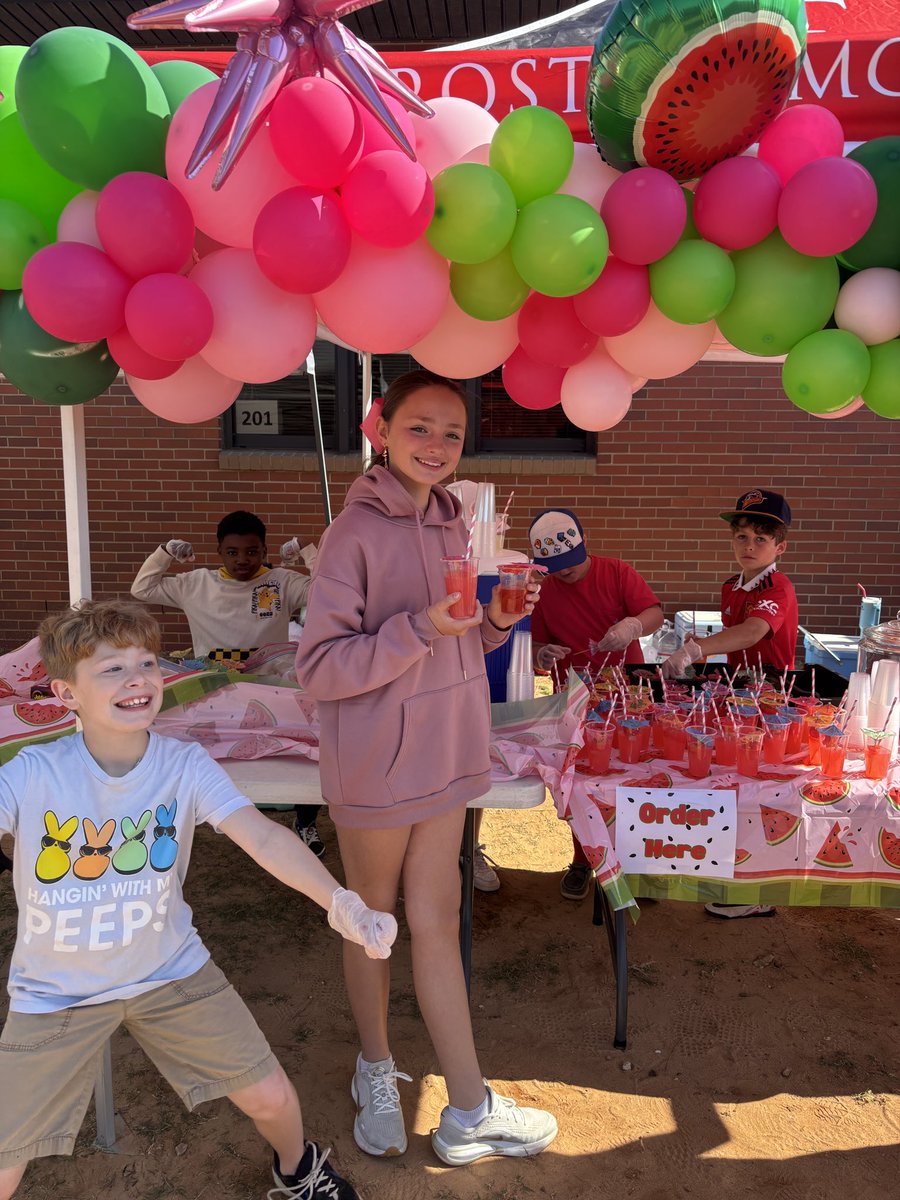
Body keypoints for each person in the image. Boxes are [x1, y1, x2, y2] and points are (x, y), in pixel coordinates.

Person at [0, 600, 397, 1200]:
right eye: (112, 669)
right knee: (5, 1154)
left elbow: (264, 836)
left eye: (146, 663)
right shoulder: (31, 772)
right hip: (56, 992)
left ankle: (298, 1169)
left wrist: (342, 903)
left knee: (271, 1096)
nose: (137, 679)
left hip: (170, 970)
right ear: (66, 693)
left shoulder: (183, 764)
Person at [295, 369, 558, 1166]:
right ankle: (375, 1068)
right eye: (419, 427)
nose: (436, 445)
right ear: (382, 432)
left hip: (449, 750)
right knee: (373, 923)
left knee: (438, 921)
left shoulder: (453, 524)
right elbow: (321, 668)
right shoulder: (352, 533)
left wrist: (493, 625)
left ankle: (469, 1108)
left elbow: (453, 634)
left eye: (451, 432)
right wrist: (421, 627)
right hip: (377, 761)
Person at [131, 510, 325, 857]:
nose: (242, 560)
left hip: (269, 682)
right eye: (232, 552)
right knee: (204, 752)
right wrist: (165, 553)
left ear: (264, 550)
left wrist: (308, 550)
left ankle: (305, 819)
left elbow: (327, 592)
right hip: (215, 687)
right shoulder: (195, 583)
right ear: (219, 551)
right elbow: (142, 588)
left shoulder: (280, 581)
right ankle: (206, 812)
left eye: (252, 552)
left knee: (302, 742)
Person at [661, 488, 798, 920]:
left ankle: (755, 889)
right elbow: (736, 641)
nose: (749, 546)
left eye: (761, 539)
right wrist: (700, 648)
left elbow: (754, 631)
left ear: (780, 548)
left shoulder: (778, 586)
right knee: (731, 780)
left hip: (770, 700)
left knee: (759, 789)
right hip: (739, 695)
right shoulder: (731, 585)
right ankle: (730, 870)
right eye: (741, 536)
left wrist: (697, 649)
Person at [528, 508, 664, 901]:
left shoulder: (617, 572)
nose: (565, 572)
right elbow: (535, 643)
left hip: (628, 692)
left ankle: (636, 863)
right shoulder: (544, 591)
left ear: (584, 543)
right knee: (581, 780)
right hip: (575, 696)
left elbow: (655, 613)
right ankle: (582, 858)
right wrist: (541, 654)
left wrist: (632, 625)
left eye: (570, 563)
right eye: (555, 569)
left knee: (634, 775)